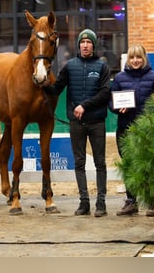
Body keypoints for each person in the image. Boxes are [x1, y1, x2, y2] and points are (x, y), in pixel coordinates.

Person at [44, 29, 111, 217]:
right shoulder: (69, 66)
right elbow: (57, 88)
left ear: (94, 45)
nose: (86, 45)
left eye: (89, 42)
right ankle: (84, 203)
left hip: (97, 122)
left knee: (100, 162)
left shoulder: (102, 67)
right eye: (83, 42)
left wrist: (84, 105)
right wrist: (44, 84)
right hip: (77, 123)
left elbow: (105, 93)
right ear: (79, 45)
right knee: (79, 163)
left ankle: (101, 203)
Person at [109, 44, 154, 216]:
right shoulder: (119, 78)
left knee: (151, 165)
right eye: (132, 58)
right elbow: (111, 102)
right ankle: (131, 201)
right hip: (126, 129)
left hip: (148, 130)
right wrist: (118, 108)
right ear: (127, 59)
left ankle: (153, 201)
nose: (135, 61)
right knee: (129, 165)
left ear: (144, 58)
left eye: (138, 57)